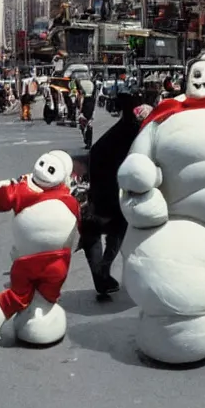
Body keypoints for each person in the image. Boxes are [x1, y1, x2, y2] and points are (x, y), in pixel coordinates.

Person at [79, 97, 152, 300]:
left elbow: (94, 155)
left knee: (92, 234)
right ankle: (104, 268)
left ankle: (100, 276)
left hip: (98, 194)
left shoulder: (113, 134)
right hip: (117, 196)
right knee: (117, 231)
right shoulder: (135, 136)